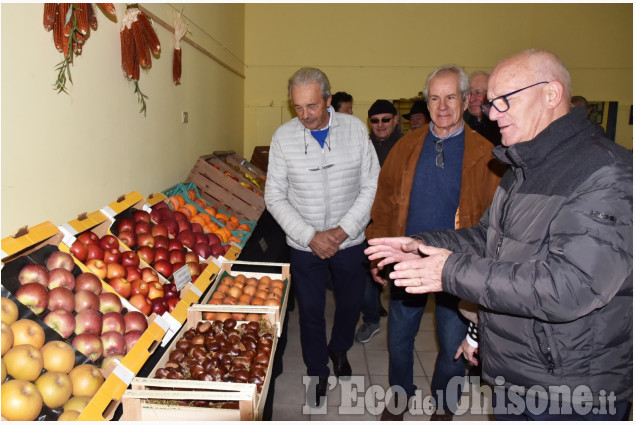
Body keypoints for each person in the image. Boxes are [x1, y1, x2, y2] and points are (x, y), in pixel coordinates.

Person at [366, 49, 632, 421]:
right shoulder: (522, 167)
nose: (491, 113)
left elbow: (571, 286)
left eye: (504, 101)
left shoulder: (606, 173)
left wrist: (449, 272)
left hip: (571, 390)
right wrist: (421, 245)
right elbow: (488, 237)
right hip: (518, 371)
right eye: (491, 103)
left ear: (552, 94)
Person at [366, 65, 504, 420]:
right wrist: (379, 252)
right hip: (407, 261)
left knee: (452, 345)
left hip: (457, 267)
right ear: (426, 103)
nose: (442, 106)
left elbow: (496, 221)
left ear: (465, 100)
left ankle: (444, 404)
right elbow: (382, 205)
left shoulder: (486, 154)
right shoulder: (405, 147)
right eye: (434, 98)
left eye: (451, 97)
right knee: (399, 339)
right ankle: (400, 396)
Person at [265, 67, 380, 407]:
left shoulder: (356, 130)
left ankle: (339, 348)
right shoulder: (283, 137)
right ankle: (318, 370)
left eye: (312, 106)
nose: (305, 116)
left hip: (350, 241)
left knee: (349, 304)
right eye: (297, 107)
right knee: (311, 311)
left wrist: (343, 231)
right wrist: (310, 236)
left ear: (329, 100)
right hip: (305, 246)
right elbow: (274, 196)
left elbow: (371, 184)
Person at [354, 100, 403, 344]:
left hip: (399, 225)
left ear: (395, 120)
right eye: (375, 120)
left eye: (386, 119)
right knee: (366, 273)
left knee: (398, 277)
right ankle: (372, 319)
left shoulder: (407, 147)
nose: (380, 124)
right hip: (368, 221)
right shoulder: (364, 146)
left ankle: (400, 326)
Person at [463, 71, 502, 146]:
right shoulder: (462, 125)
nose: (471, 99)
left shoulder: (502, 127)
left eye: (478, 93)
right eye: (469, 93)